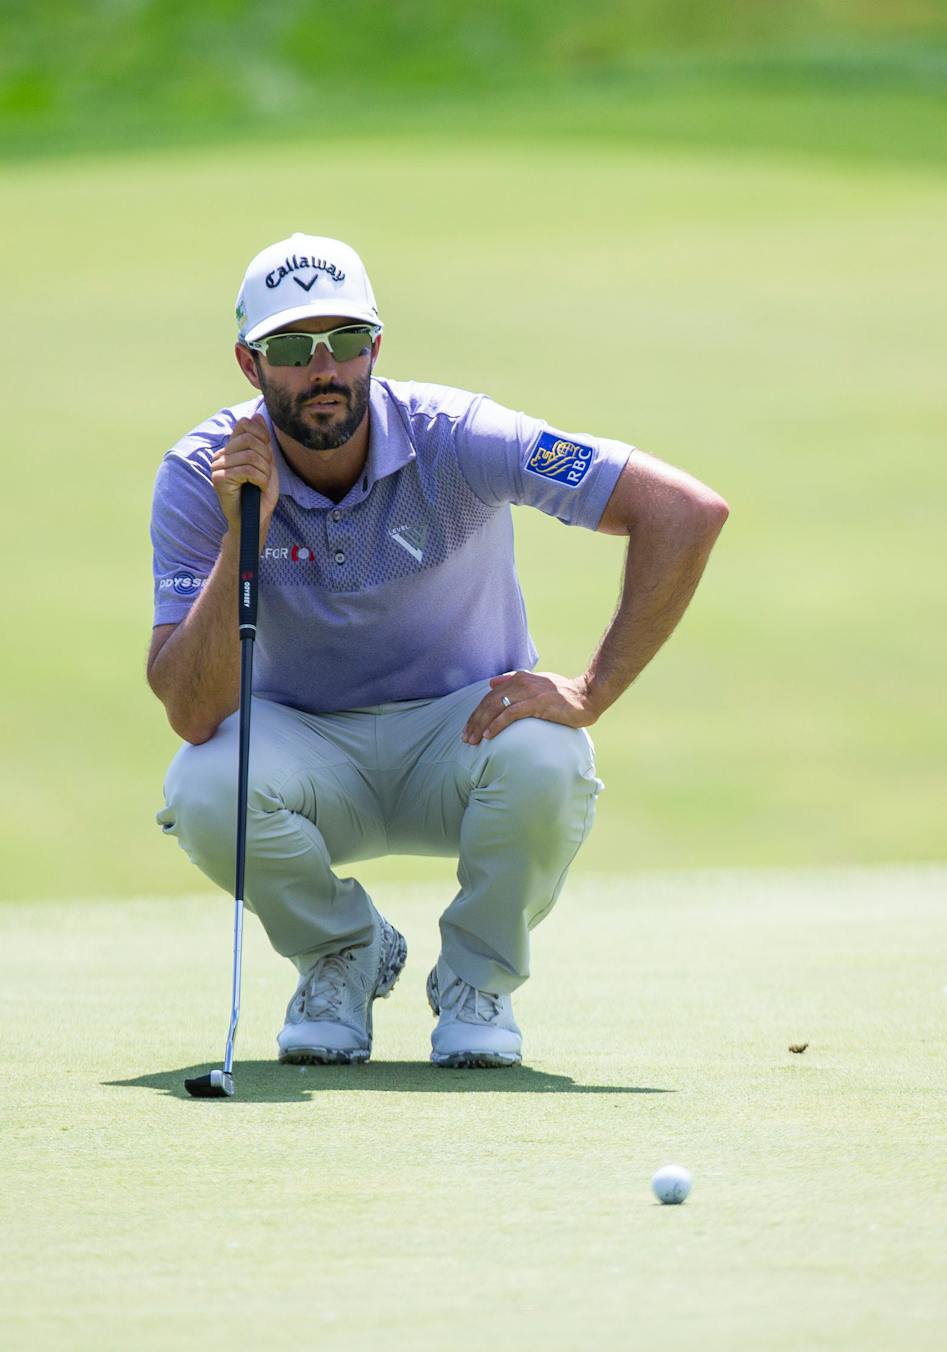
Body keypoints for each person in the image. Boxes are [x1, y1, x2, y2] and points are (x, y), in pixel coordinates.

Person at [146, 233, 728, 1068]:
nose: (324, 369)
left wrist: (593, 689)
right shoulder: (203, 473)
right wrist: (246, 530)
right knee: (204, 784)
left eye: (346, 341)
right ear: (249, 364)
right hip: (306, 749)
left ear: (375, 347)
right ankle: (343, 954)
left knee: (549, 753)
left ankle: (475, 981)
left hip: (463, 740)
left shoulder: (459, 436)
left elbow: (683, 510)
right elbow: (192, 710)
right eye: (292, 348)